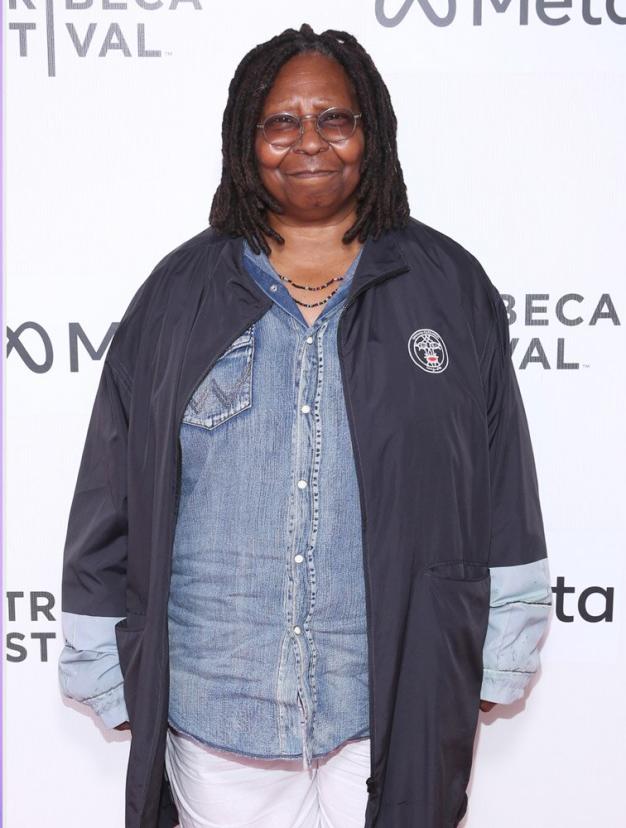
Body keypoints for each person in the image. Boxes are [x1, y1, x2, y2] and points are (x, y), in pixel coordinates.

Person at [59, 24, 550, 828]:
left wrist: (504, 648)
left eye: (336, 119)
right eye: (281, 122)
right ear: (245, 142)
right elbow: (109, 492)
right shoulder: (177, 295)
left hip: (391, 705)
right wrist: (99, 663)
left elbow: (504, 485)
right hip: (219, 718)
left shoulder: (448, 287)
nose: (309, 142)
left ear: (372, 135)